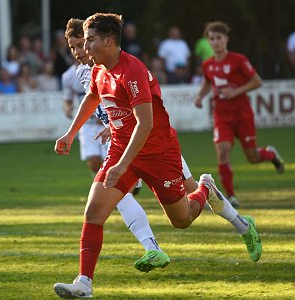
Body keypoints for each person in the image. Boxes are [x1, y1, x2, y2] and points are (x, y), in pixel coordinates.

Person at [53, 14, 262, 299]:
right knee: (94, 211)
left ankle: (206, 188)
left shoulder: (132, 71)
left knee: (183, 219)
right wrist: (69, 133)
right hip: (121, 149)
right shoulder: (100, 71)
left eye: (89, 40)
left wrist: (123, 165)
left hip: (158, 153)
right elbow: (92, 99)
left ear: (108, 41)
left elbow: (146, 123)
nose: (84, 47)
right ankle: (84, 284)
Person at [194, 21, 285, 208]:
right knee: (223, 151)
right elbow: (208, 83)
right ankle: (231, 196)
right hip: (221, 116)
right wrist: (200, 96)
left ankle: (271, 155)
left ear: (226, 39)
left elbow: (257, 81)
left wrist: (235, 92)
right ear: (209, 42)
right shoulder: (207, 65)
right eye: (212, 39)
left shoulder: (238, 60)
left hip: (242, 115)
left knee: (252, 157)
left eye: (219, 38)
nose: (216, 42)